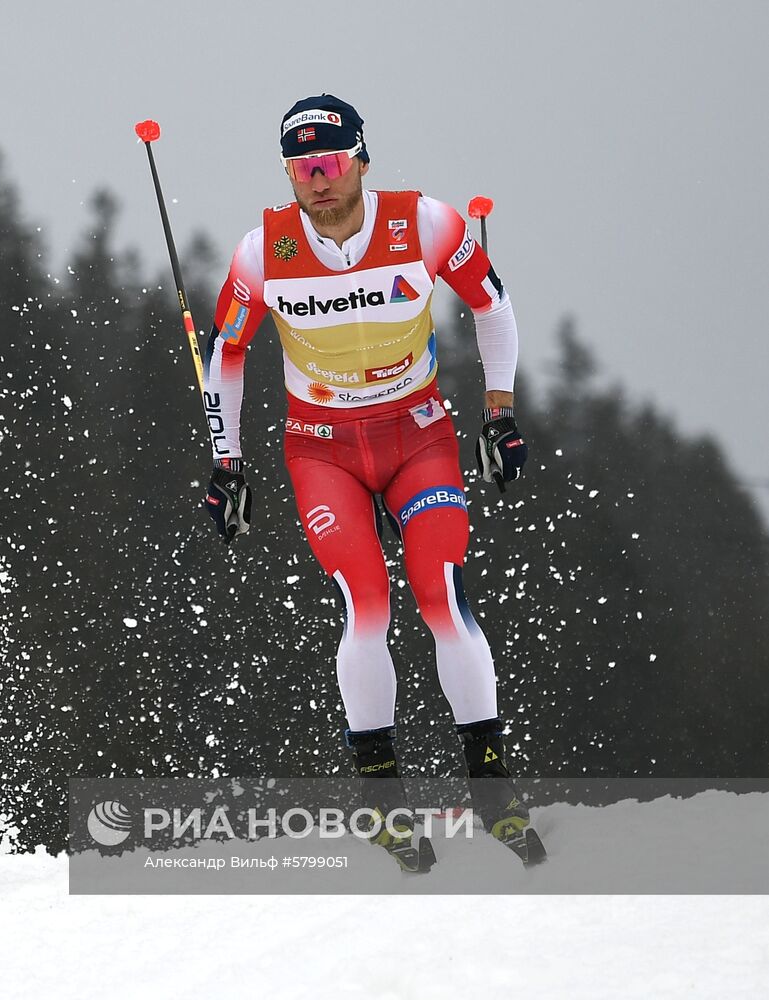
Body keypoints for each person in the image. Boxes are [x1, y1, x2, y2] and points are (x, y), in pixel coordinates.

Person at [199, 94, 542, 870]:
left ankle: (491, 790)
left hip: (416, 438)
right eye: (299, 166)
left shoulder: (423, 223)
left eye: (327, 161)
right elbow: (224, 355)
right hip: (321, 451)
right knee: (366, 604)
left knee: (440, 594)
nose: (315, 180)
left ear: (360, 158)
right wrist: (226, 462)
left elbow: (492, 304)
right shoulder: (262, 252)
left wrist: (500, 413)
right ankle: (383, 804)